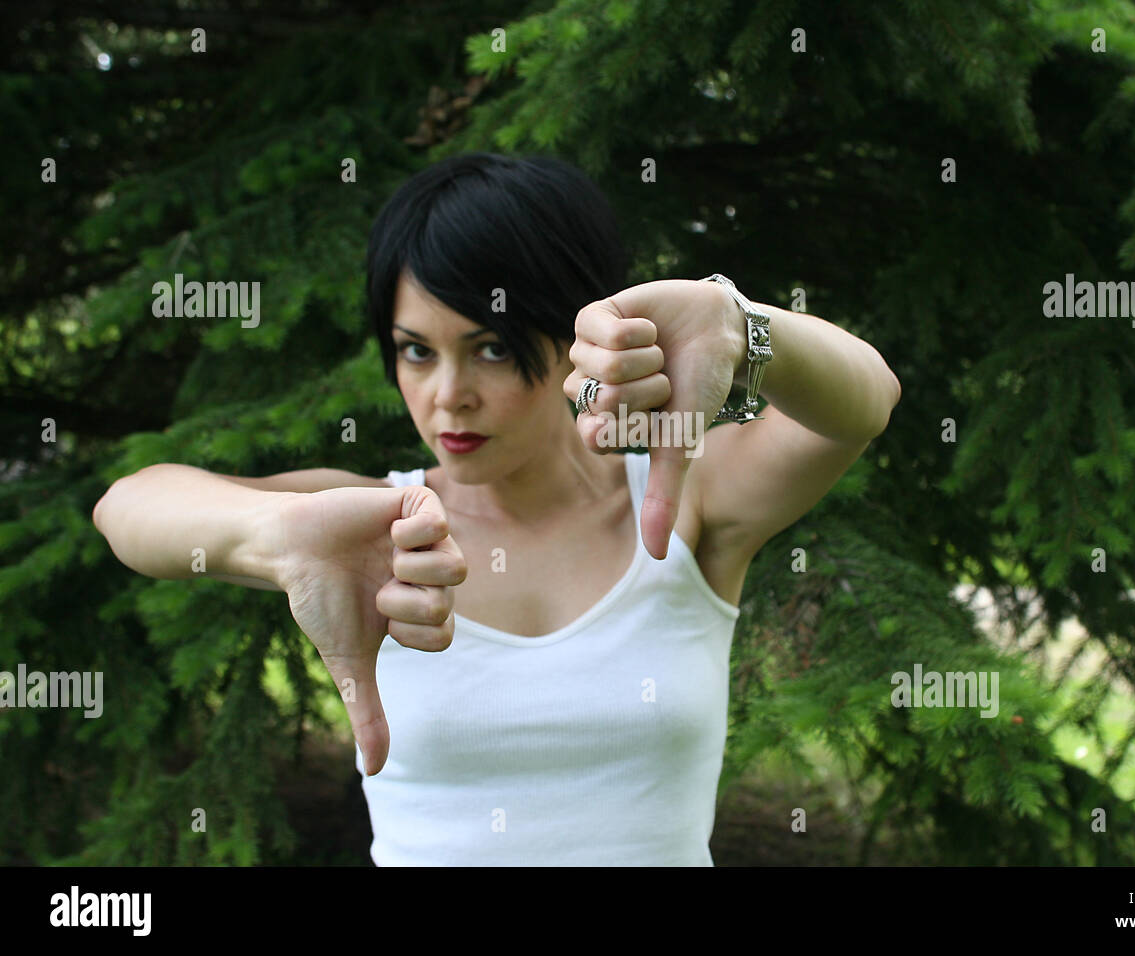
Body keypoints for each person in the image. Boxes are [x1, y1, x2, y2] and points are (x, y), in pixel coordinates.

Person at [92, 152, 902, 865]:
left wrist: (743, 325)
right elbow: (130, 505)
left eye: (489, 347)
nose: (448, 397)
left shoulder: (685, 506)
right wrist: (268, 536)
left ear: (574, 335)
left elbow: (864, 402)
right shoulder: (370, 531)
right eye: (416, 350)